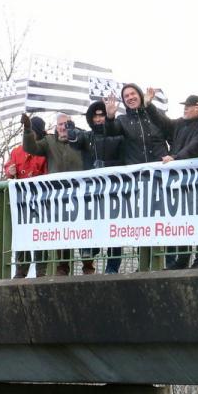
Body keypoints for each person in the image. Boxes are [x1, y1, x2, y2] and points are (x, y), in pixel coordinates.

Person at [104, 84, 175, 269]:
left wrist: (174, 156)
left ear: (140, 96)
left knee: (166, 222)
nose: (130, 97)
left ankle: (170, 263)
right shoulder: (122, 120)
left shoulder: (155, 115)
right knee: (143, 225)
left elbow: (172, 132)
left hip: (162, 179)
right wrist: (109, 117)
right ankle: (144, 264)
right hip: (138, 183)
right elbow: (109, 132)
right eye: (126, 96)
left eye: (133, 93)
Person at [21, 112, 86, 275]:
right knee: (61, 231)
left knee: (85, 230)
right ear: (56, 127)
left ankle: (88, 266)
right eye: (60, 125)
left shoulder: (82, 137)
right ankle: (62, 266)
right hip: (57, 197)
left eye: (67, 124)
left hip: (81, 193)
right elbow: (30, 148)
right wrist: (27, 130)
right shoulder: (49, 141)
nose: (63, 127)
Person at [71, 100, 125, 273]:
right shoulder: (87, 136)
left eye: (102, 115)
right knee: (90, 225)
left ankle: (112, 267)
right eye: (96, 116)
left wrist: (107, 164)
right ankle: (89, 252)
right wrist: (71, 131)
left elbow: (124, 159)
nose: (99, 119)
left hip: (115, 190)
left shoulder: (118, 135)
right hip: (92, 192)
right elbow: (74, 141)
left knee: (114, 231)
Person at [164, 95, 198, 269]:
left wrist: (176, 157)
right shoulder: (179, 124)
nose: (185, 108)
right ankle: (183, 258)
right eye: (185, 105)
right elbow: (162, 122)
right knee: (182, 219)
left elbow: (194, 146)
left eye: (189, 106)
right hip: (180, 180)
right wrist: (148, 107)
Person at [2, 116, 48, 278]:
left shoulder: (44, 150)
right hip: (21, 203)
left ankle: (41, 272)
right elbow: (7, 167)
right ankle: (21, 271)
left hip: (41, 203)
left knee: (40, 237)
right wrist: (10, 172)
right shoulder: (16, 151)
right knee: (22, 236)